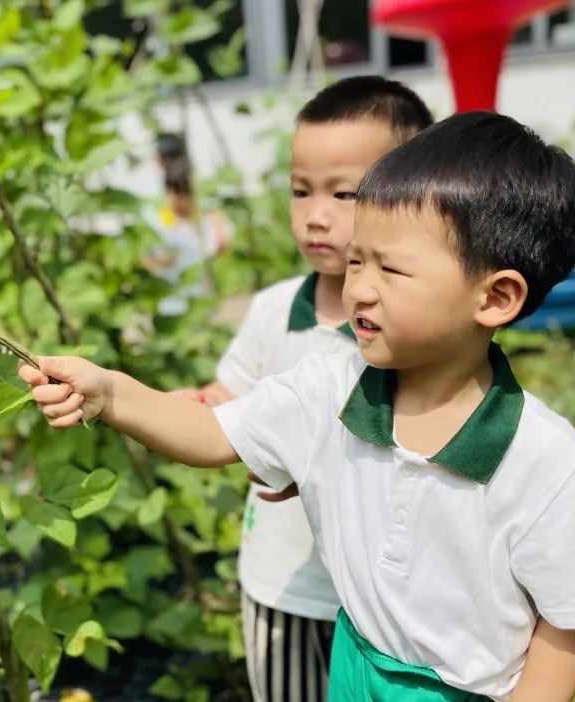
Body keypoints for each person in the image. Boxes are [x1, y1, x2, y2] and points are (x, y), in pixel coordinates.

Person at [20, 112, 575, 701]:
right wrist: (112, 393)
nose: (359, 290)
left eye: (390, 271)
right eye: (356, 262)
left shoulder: (543, 460)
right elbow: (213, 434)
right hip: (355, 665)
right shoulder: (331, 387)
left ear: (495, 297)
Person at [188, 76, 433, 702]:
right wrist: (135, 400)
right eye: (300, 191)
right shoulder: (275, 311)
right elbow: (223, 401)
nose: (315, 215)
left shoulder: (425, 329)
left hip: (396, 601)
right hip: (287, 588)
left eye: (344, 192)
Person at [145, 135, 228, 316]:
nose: (175, 199)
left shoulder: (200, 216)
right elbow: (148, 256)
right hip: (170, 297)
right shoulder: (159, 212)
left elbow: (219, 243)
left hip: (194, 294)